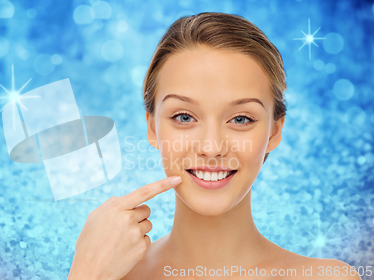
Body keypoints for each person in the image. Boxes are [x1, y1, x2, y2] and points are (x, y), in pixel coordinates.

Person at [68, 12, 361, 280]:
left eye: (241, 119)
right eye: (184, 117)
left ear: (274, 131)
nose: (211, 147)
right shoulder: (109, 274)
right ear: (151, 127)